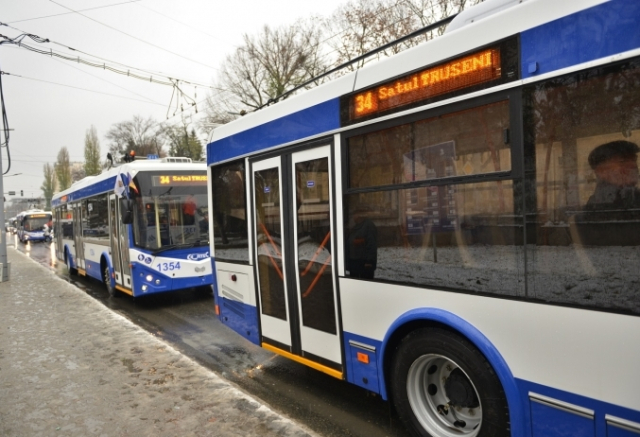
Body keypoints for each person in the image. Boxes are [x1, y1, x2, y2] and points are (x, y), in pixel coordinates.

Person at [586, 140, 640, 210]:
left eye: (634, 160)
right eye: (622, 161)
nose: (633, 165)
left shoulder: (633, 196)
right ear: (601, 171)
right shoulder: (599, 205)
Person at [346, 207, 378, 279]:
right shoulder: (356, 226)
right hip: (355, 262)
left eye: (354, 215)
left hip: (363, 263)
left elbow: (371, 244)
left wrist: (369, 262)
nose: (353, 217)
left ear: (358, 215)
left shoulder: (368, 226)